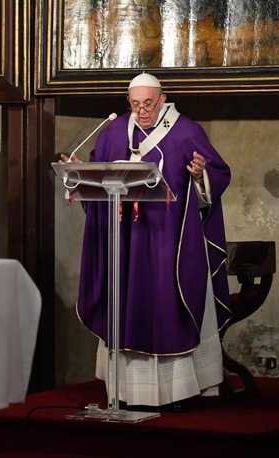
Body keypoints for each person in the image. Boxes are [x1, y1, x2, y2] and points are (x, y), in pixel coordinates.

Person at [62, 72, 231, 409]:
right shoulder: (113, 131)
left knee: (167, 309)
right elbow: (100, 178)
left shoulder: (186, 131)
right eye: (136, 104)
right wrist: (82, 173)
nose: (142, 111)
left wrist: (200, 176)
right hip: (124, 244)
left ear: (162, 97)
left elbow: (218, 174)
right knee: (124, 306)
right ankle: (126, 393)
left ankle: (177, 393)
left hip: (167, 243)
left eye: (149, 104)